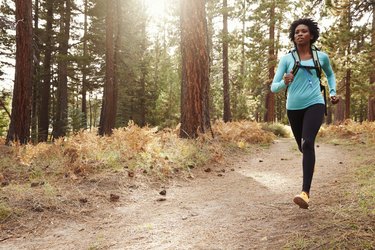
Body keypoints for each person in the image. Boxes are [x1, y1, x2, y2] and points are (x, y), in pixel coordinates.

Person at [271, 18, 339, 209]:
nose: (299, 34)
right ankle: (310, 162)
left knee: (307, 142)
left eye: (304, 31)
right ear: (293, 36)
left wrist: (332, 92)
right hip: (293, 108)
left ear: (311, 35)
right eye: (296, 32)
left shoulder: (321, 57)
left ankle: (305, 193)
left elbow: (330, 74)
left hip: (315, 102)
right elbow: (273, 88)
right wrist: (285, 81)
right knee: (303, 148)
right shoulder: (286, 59)